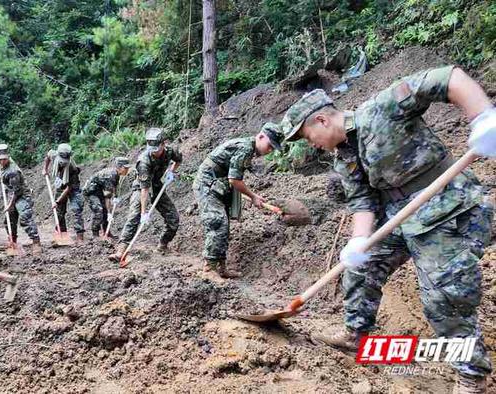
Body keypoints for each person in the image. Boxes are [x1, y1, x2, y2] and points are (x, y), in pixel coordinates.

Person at [281, 66, 496, 393]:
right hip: (399, 215)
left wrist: (483, 117)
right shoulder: (343, 158)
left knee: (443, 295)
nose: (313, 146)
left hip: (446, 205)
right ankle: (357, 334)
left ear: (321, 121)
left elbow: (447, 78)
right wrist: (358, 242)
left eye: (309, 137)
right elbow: (363, 202)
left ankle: (471, 375)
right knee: (359, 270)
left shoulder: (383, 108)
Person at [193, 123, 283, 278]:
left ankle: (221, 268)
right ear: (261, 137)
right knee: (217, 223)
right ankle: (209, 270)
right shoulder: (245, 148)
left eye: (273, 149)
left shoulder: (248, 148)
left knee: (224, 226)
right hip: (206, 185)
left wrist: (252, 196)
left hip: (218, 185)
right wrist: (254, 196)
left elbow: (232, 178)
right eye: (269, 146)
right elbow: (234, 180)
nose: (269, 151)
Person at [108, 128, 182, 262]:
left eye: (157, 148)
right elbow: (145, 190)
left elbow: (178, 160)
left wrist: (171, 171)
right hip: (141, 187)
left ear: (163, 144)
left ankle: (162, 245)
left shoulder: (171, 151)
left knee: (173, 218)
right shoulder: (143, 161)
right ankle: (121, 250)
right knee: (134, 215)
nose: (154, 151)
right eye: (151, 148)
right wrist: (143, 213)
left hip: (158, 185)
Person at [0, 144, 42, 254]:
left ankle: (36, 242)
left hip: (21, 196)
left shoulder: (13, 171)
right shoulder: (2, 165)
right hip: (11, 194)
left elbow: (16, 191)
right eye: (0, 159)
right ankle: (13, 242)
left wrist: (9, 205)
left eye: (4, 159)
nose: (2, 162)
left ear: (8, 157)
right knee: (9, 220)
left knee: (25, 217)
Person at [42, 143, 85, 243]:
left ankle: (80, 236)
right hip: (60, 184)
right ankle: (62, 234)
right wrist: (45, 169)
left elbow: (68, 188)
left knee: (76, 210)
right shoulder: (54, 155)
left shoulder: (72, 168)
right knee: (59, 211)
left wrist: (57, 201)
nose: (62, 163)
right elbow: (48, 156)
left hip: (72, 188)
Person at [83, 157, 131, 239]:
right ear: (119, 167)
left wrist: (116, 196)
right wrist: (109, 213)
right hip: (91, 192)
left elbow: (114, 186)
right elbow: (107, 197)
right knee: (99, 210)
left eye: (127, 168)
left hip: (99, 190)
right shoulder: (110, 175)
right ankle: (95, 235)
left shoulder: (116, 174)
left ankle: (107, 232)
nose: (127, 170)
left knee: (104, 210)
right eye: (125, 168)